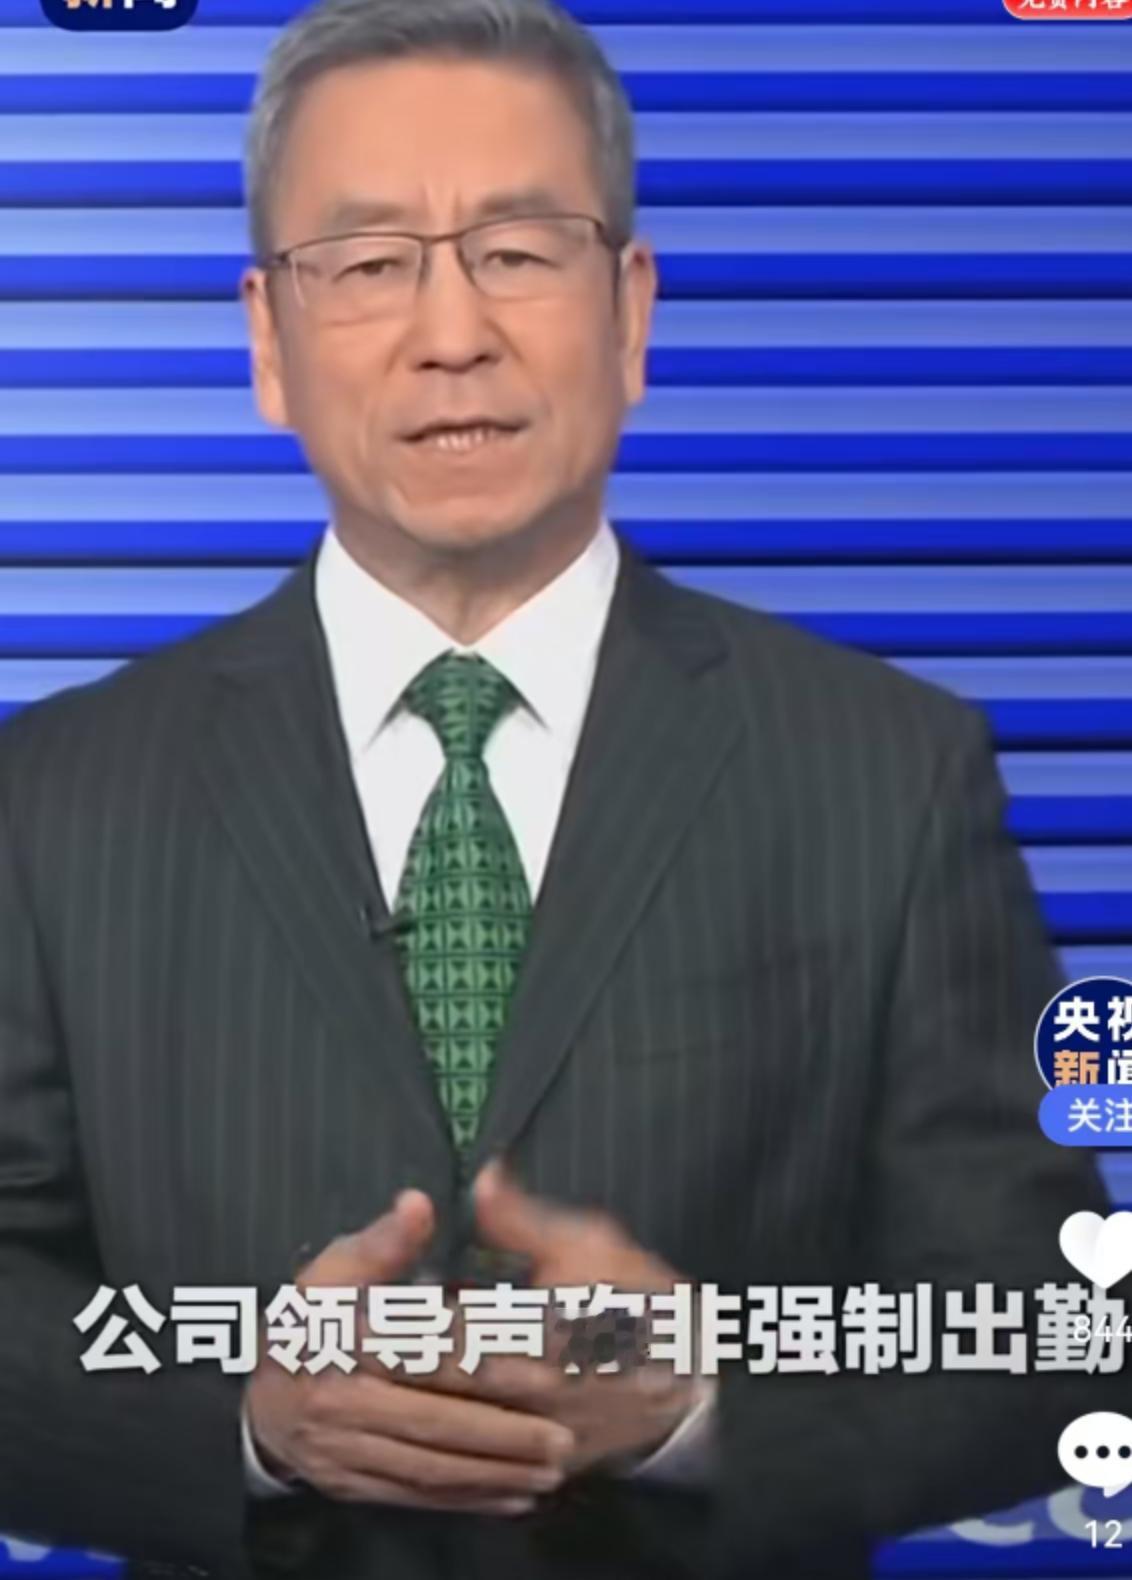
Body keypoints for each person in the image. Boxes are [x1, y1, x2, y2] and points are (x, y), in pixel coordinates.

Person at [0, 1, 1117, 1577]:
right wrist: (241, 1426)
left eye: (517, 251)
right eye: (369, 264)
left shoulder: (887, 767)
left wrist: (697, 1407)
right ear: (266, 341)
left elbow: (1044, 1317)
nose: (452, 332)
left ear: (631, 311)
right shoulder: (57, 799)